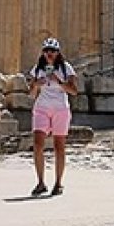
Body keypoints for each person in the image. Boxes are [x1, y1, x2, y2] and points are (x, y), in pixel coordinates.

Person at [27, 38, 78, 196]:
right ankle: (41, 182)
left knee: (59, 146)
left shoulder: (66, 68)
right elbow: (31, 94)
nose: (49, 53)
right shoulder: (37, 69)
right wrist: (36, 85)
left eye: (52, 51)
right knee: (37, 145)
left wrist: (59, 81)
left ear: (58, 53)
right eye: (46, 50)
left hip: (60, 109)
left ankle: (58, 183)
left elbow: (74, 91)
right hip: (41, 108)